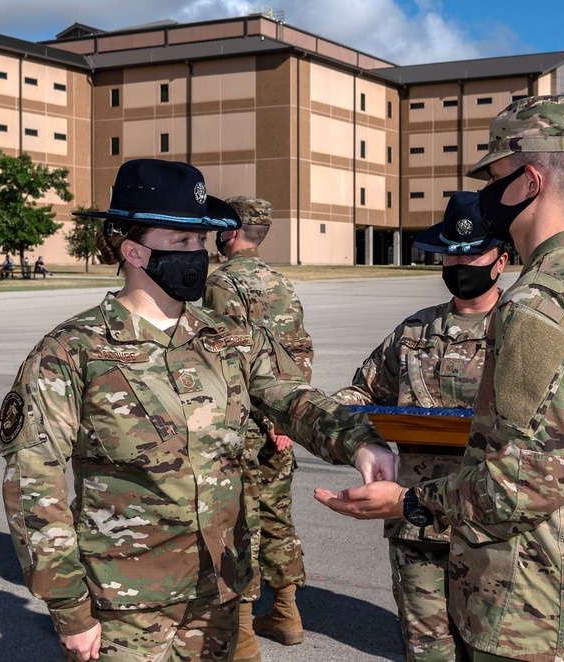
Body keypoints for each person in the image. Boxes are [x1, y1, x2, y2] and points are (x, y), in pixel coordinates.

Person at [0, 159, 397, 662]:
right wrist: (68, 606)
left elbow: (292, 397)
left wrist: (359, 440)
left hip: (218, 592)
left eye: (202, 243)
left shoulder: (228, 338)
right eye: (182, 242)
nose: (198, 256)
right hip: (124, 604)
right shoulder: (70, 351)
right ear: (134, 250)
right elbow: (34, 484)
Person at [316, 94, 564, 662]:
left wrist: (405, 502)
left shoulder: (538, 302)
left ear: (527, 181)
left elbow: (517, 487)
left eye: (495, 177)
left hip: (535, 610)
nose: (488, 195)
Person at [332, 191, 507, 662]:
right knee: (428, 652)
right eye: (452, 252)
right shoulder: (416, 331)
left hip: (494, 527)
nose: (460, 262)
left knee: (492, 649)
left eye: (473, 252)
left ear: (501, 260)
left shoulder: (520, 328)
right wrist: (359, 441)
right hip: (417, 525)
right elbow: (358, 395)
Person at [203, 196, 313, 661]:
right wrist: (286, 415)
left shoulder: (222, 283)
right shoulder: (281, 282)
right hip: (282, 419)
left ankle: (243, 636)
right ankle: (287, 614)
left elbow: (230, 358)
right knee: (277, 515)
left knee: (239, 522)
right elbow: (299, 349)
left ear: (229, 232)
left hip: (245, 423)